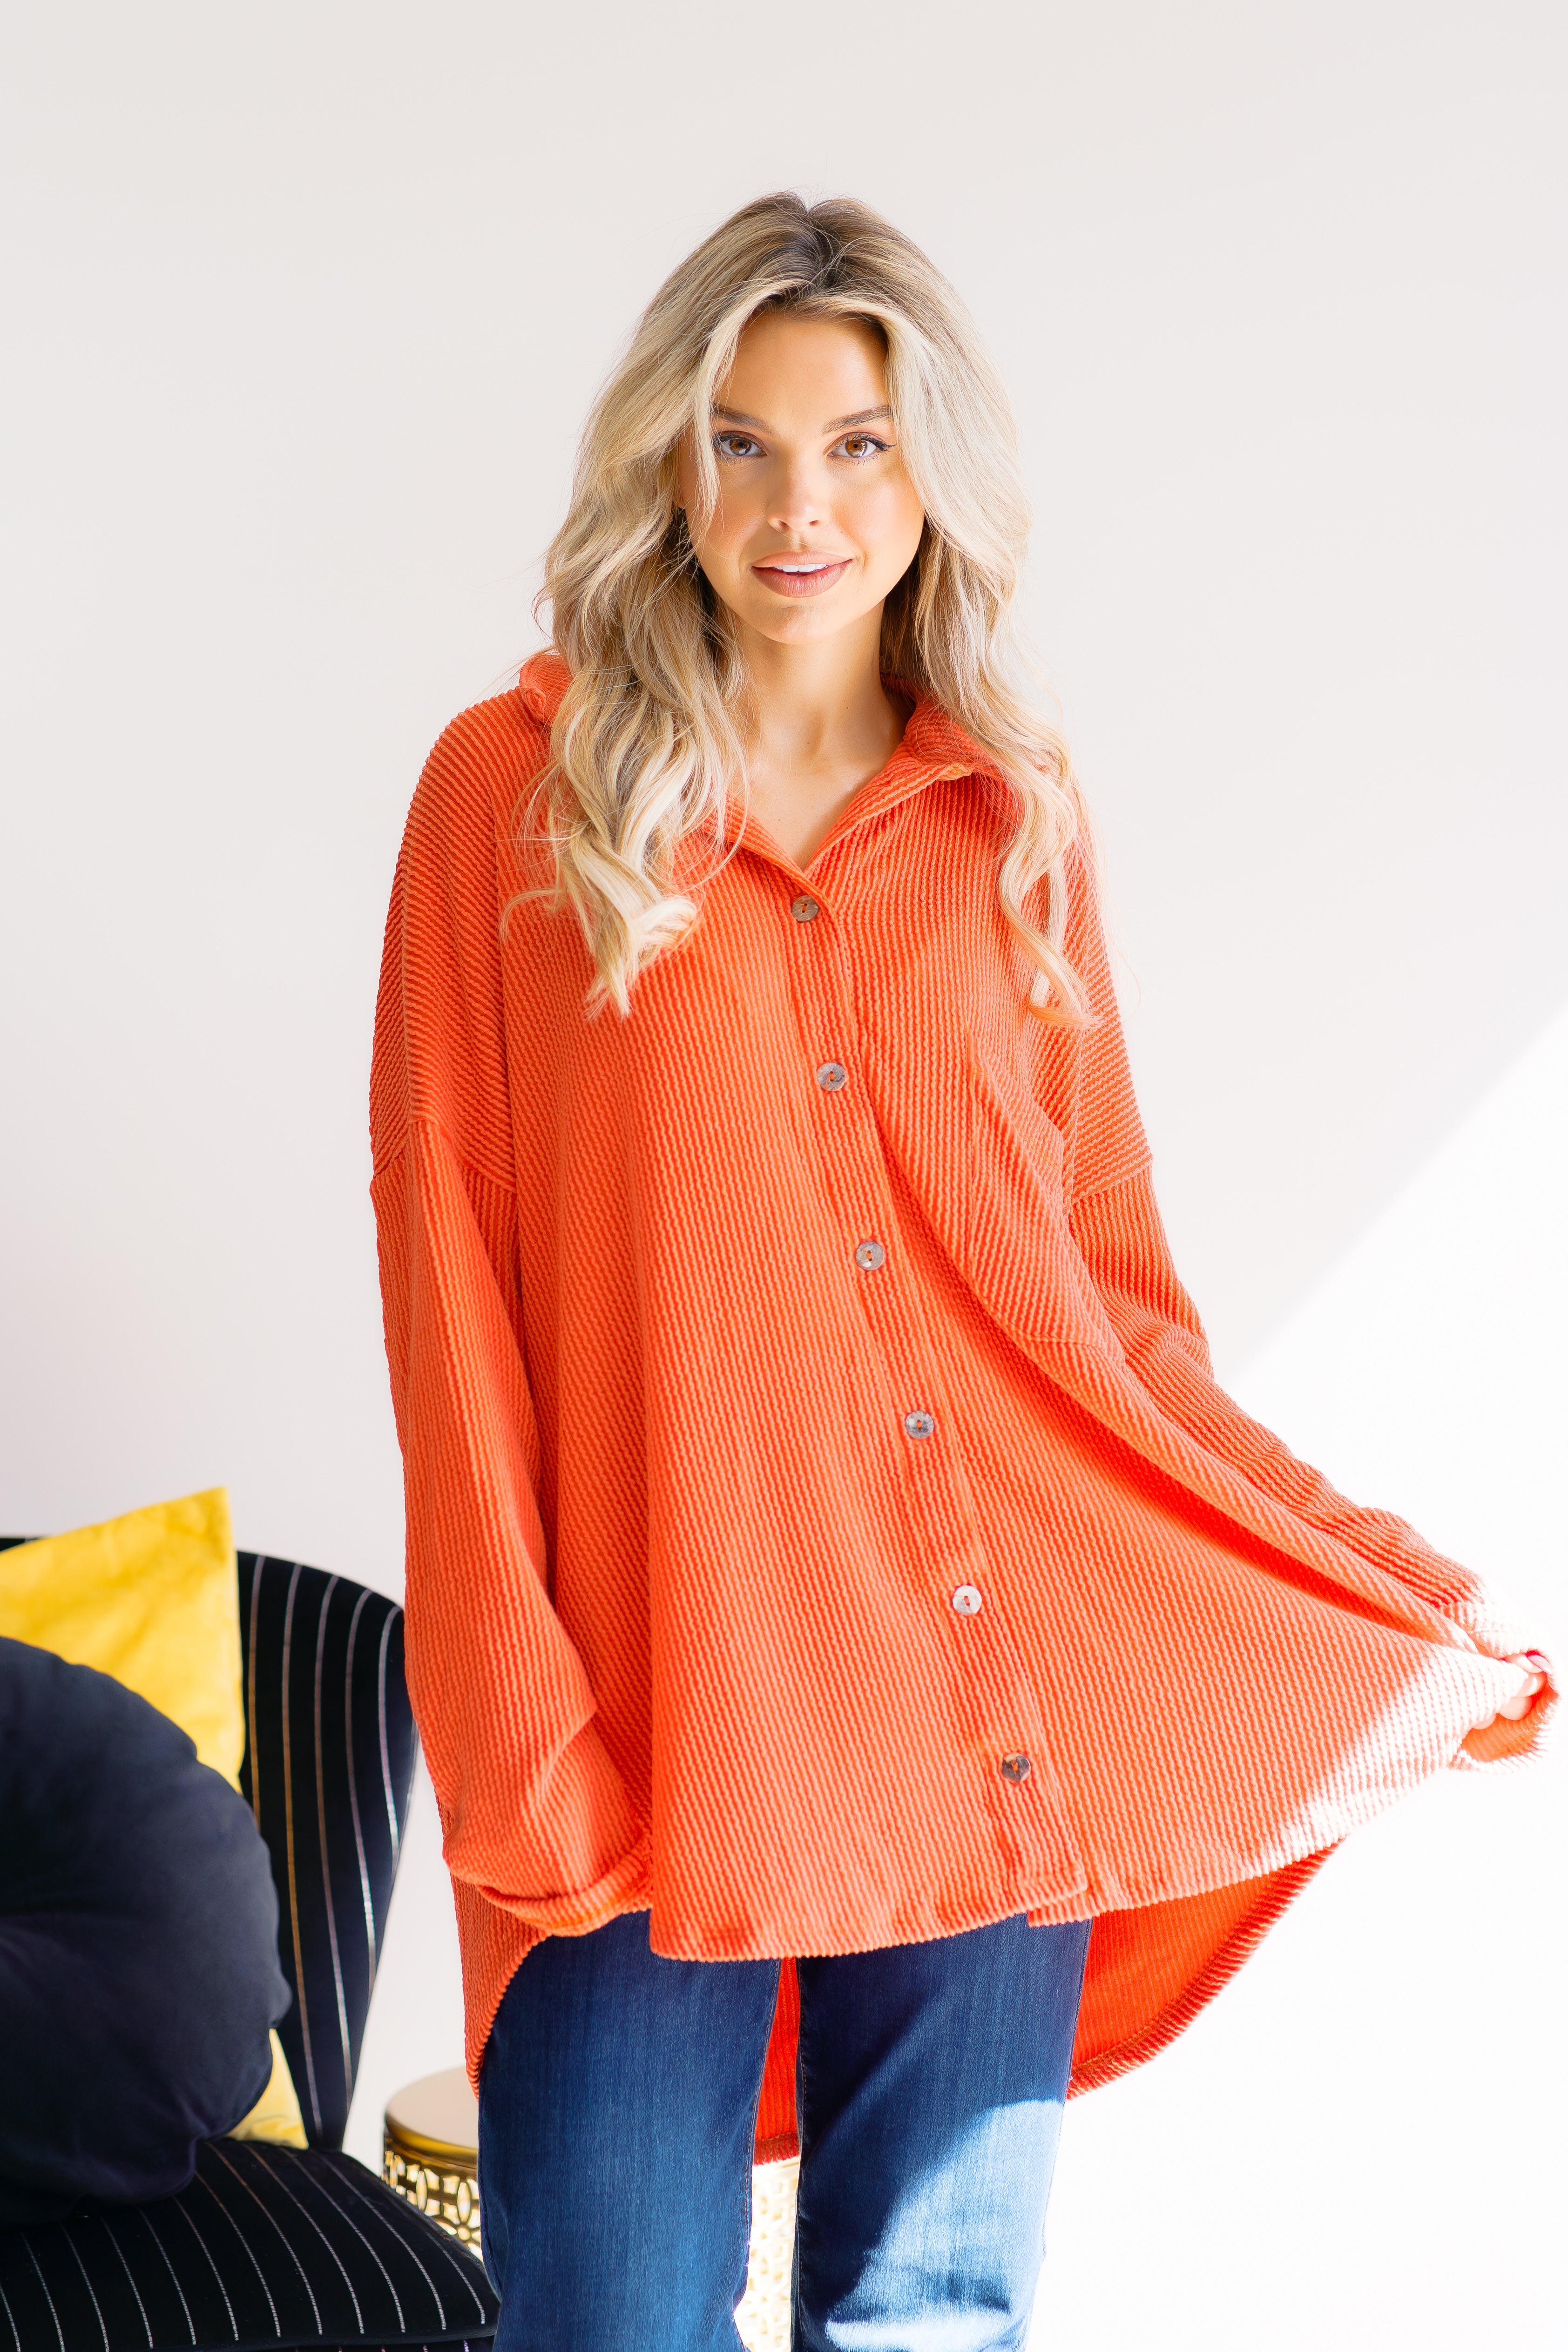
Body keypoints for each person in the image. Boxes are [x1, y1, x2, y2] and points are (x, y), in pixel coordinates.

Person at [370, 193, 1552, 2352]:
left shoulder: (1015, 817)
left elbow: (1108, 1315)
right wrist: (516, 1736)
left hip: (982, 1705)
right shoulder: (515, 802)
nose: (796, 510)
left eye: (857, 447)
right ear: (665, 462)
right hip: (653, 1727)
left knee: (929, 2316)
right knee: (607, 2315)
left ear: (932, 477)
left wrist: (1380, 1581)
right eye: (739, 444)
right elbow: (447, 1298)